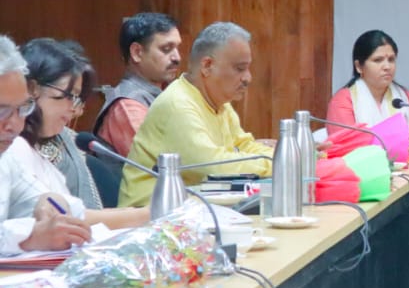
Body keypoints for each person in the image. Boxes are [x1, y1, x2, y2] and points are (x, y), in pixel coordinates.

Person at [120, 22, 273, 207]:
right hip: (151, 216)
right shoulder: (178, 104)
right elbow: (212, 167)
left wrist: (283, 158)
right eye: (240, 69)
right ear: (207, 65)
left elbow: (245, 146)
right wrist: (278, 164)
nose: (248, 78)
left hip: (194, 210)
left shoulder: (220, 103)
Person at [8, 39, 148, 230]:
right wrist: (148, 214)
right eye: (67, 96)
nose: (74, 109)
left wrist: (145, 213)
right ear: (32, 89)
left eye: (77, 99)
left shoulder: (52, 143)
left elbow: (65, 209)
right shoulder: (13, 146)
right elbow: (67, 218)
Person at [0, 35, 93, 253]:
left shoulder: (5, 156)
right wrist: (29, 238)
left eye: (22, 109)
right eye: (2, 111)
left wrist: (49, 201)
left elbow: (40, 198)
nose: (15, 125)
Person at [93, 13, 181, 156]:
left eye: (177, 48)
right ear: (137, 53)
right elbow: (156, 162)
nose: (177, 57)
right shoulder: (127, 107)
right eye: (166, 49)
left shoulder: (164, 94)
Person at [328, 30, 409, 143]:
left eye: (391, 59)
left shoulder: (406, 99)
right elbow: (347, 146)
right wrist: (403, 144)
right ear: (359, 66)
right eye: (378, 60)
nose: (387, 66)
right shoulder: (343, 101)